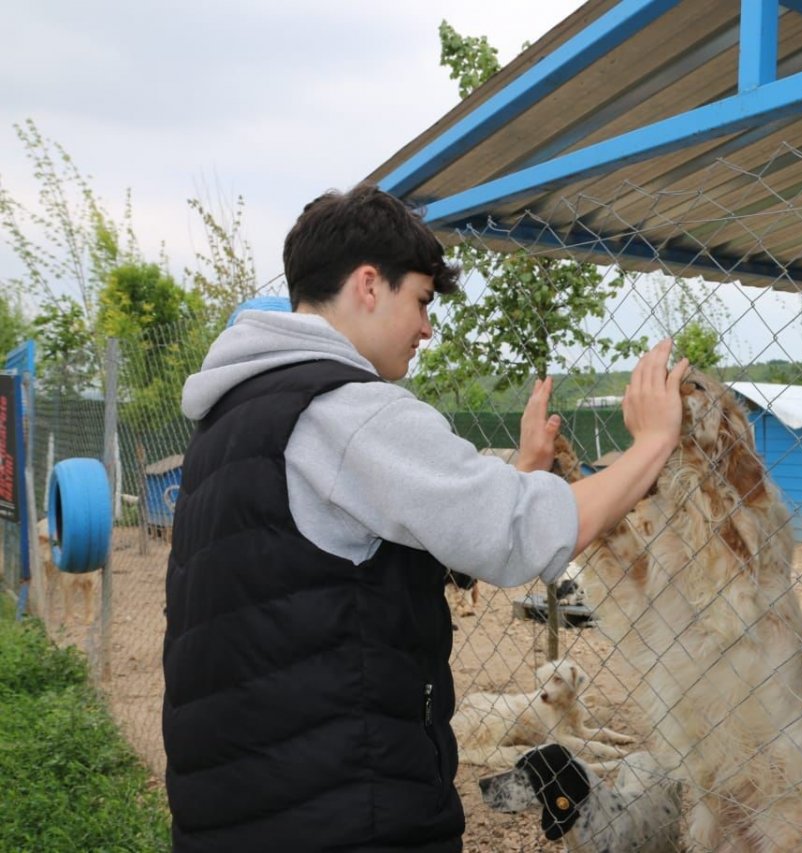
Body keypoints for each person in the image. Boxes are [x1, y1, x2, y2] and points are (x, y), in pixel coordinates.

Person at [162, 182, 688, 852]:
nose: (427, 326)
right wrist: (651, 443)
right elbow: (519, 534)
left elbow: (351, 562)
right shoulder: (348, 411)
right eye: (421, 299)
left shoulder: (229, 421)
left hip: (239, 804)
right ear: (368, 284)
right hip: (347, 812)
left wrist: (521, 472)